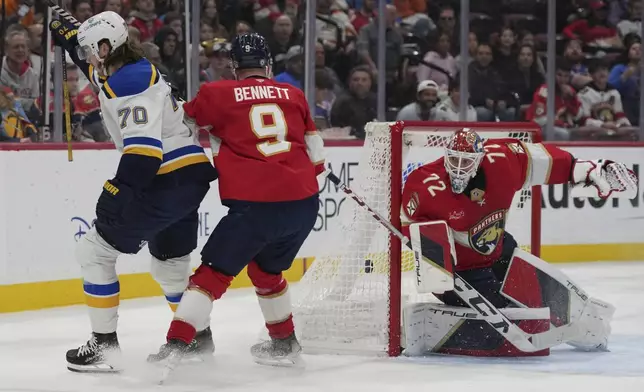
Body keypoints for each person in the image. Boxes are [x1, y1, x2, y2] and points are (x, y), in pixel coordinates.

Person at [48, 12, 218, 372]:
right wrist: (72, 39)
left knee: (93, 252)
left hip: (164, 179)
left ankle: (104, 350)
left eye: (90, 49)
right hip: (188, 178)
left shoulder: (129, 83)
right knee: (171, 266)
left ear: (106, 47)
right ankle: (197, 339)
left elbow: (143, 154)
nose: (88, 56)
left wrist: (118, 190)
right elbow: (97, 69)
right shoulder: (134, 70)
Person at [148, 33, 325, 367]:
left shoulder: (216, 92)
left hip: (255, 206)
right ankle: (285, 341)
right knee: (266, 270)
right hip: (304, 204)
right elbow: (317, 159)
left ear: (233, 66)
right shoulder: (294, 94)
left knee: (210, 275)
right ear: (268, 65)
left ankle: (178, 345)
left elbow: (180, 122)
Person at [401, 128, 636, 353]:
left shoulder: (503, 161)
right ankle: (429, 327)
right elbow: (406, 223)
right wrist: (434, 260)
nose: (460, 169)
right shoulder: (425, 186)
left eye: (467, 161)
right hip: (462, 273)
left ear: (480, 159)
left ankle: (588, 329)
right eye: (454, 160)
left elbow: (545, 161)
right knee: (518, 328)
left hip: (500, 249)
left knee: (559, 304)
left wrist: (586, 169)